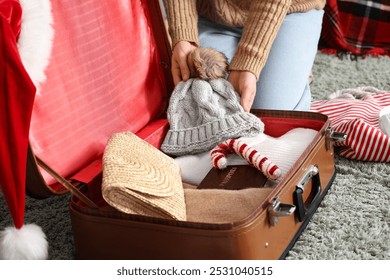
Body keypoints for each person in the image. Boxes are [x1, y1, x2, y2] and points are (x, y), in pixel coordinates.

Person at [163, 0, 326, 112]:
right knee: (205, 104)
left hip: (290, 11)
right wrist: (183, 35)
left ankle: (296, 68)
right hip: (213, 13)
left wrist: (248, 60)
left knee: (270, 113)